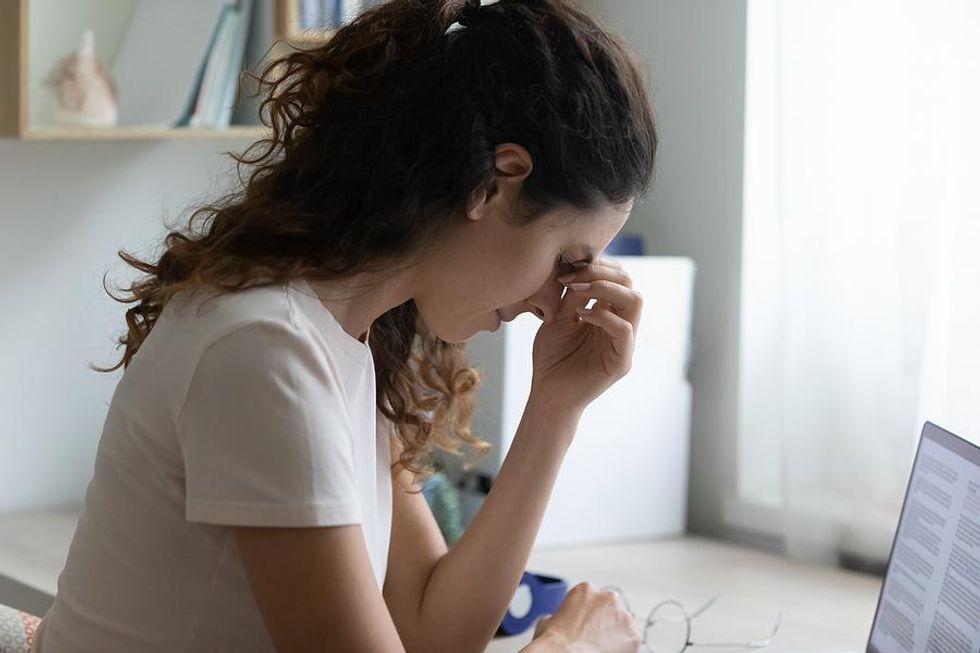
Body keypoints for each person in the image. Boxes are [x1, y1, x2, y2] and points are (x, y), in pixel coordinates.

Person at [30, 0, 657, 651]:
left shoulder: (350, 337)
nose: (553, 302)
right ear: (496, 181)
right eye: (566, 260)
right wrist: (571, 646)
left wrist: (555, 405)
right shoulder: (265, 349)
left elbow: (430, 629)